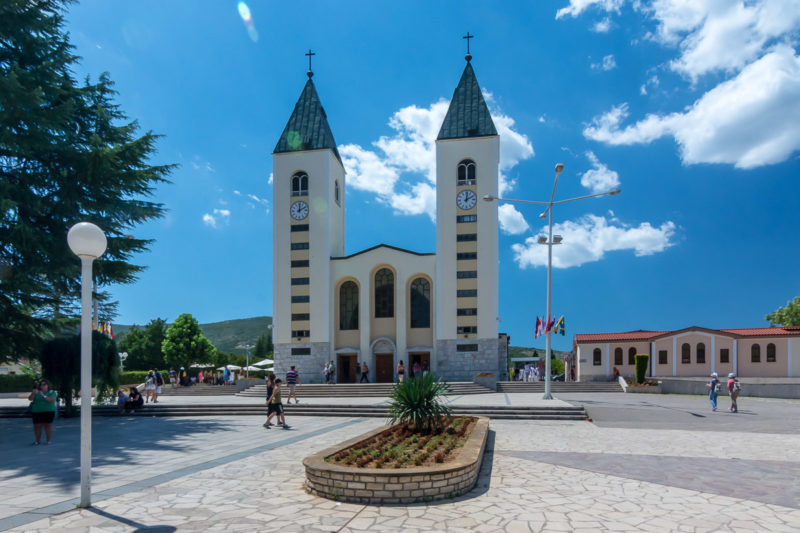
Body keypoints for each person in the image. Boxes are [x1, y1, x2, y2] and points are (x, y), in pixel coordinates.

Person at [29, 379, 57, 445]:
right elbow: (30, 398)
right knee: (37, 426)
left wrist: (43, 395)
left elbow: (51, 400)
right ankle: (37, 441)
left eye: (44, 384)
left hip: (49, 411)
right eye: (41, 384)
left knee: (48, 425)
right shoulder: (37, 392)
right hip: (37, 411)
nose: (42, 386)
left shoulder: (52, 392)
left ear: (48, 385)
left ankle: (48, 440)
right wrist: (33, 393)